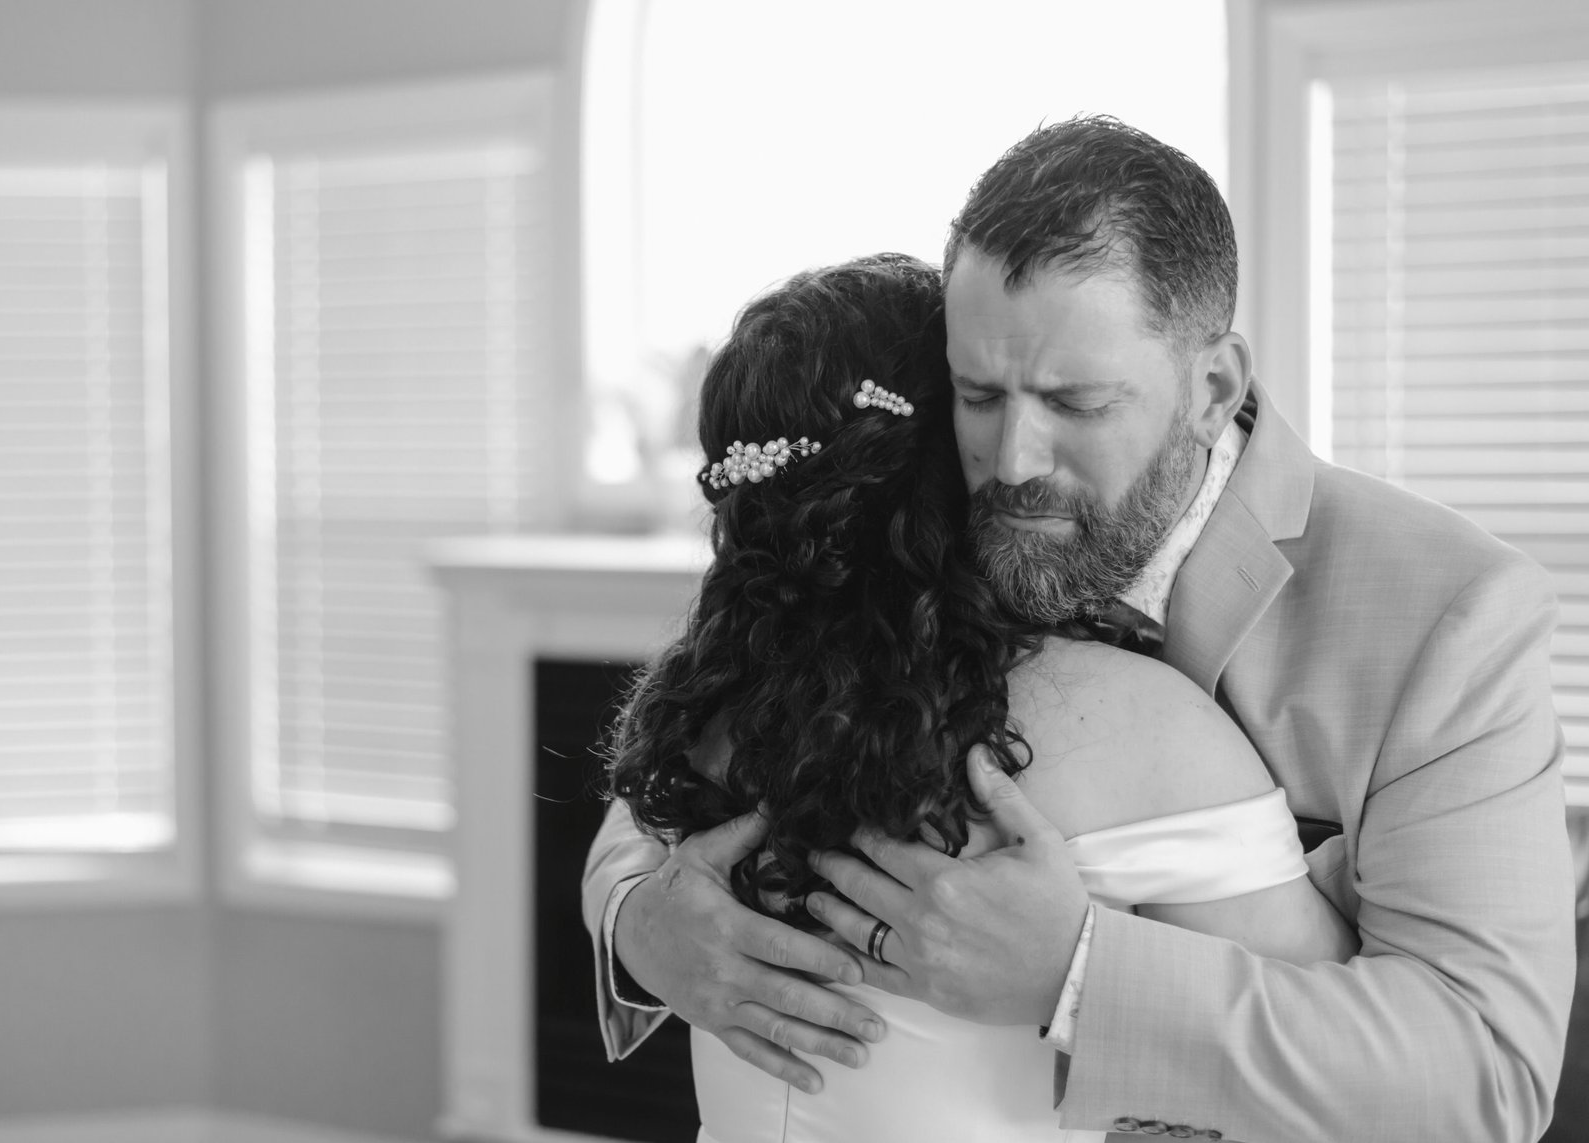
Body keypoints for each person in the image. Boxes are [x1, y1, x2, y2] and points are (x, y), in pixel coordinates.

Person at [584, 118, 1578, 1142]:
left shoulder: (1448, 612)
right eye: (979, 394)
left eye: (1076, 402)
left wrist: (1080, 974)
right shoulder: (931, 515)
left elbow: (1484, 1078)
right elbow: (733, 721)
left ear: (1212, 390)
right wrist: (634, 920)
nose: (1014, 459)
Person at [596, 250, 1356, 1142]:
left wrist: (628, 915)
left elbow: (626, 848)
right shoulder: (1139, 731)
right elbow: (1336, 1065)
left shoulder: (708, 714)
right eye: (983, 398)